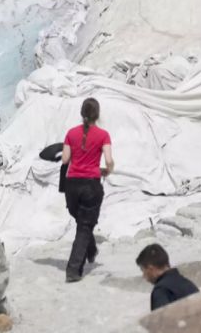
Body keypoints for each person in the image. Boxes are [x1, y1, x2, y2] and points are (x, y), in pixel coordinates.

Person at [62, 97, 113, 282]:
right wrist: (108, 170)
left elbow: (65, 160)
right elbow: (108, 160)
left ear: (81, 113)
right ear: (97, 115)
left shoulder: (70, 133)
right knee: (85, 226)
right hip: (91, 184)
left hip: (71, 184)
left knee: (82, 220)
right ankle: (73, 270)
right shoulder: (103, 135)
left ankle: (90, 250)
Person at [136, 243, 199, 310]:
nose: (143, 276)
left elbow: (161, 319)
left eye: (143, 270)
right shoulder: (188, 284)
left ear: (151, 269)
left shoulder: (161, 291)